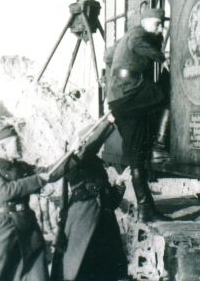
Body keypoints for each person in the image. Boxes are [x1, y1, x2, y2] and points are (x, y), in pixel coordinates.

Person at [106, 8, 171, 222]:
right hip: (129, 92)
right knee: (163, 92)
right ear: (146, 21)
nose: (160, 28)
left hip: (119, 99)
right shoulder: (138, 34)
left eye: (162, 25)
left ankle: (146, 209)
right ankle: (160, 145)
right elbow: (138, 45)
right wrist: (162, 58)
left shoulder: (125, 36)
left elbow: (108, 55)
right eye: (157, 24)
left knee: (136, 154)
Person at [50, 119, 129, 281]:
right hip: (83, 223)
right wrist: (108, 123)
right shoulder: (76, 160)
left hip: (103, 228)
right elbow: (89, 146)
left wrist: (120, 184)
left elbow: (110, 203)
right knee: (80, 269)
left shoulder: (96, 164)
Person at [0, 124, 52, 281]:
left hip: (27, 226)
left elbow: (49, 173)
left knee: (37, 275)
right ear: (3, 147)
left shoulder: (21, 167)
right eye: (16, 143)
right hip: (1, 230)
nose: (21, 146)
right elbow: (4, 191)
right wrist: (37, 180)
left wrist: (74, 154)